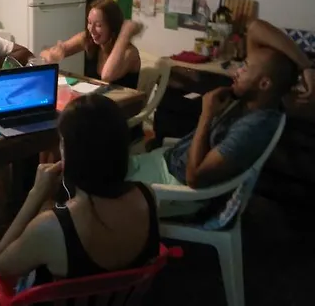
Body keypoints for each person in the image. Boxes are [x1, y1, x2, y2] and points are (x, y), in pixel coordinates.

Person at [127, 19, 314, 218]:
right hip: (165, 162)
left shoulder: (254, 127)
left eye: (245, 67)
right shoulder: (252, 100)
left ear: (264, 83)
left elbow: (194, 178)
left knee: (104, 191)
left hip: (173, 187)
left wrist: (206, 115)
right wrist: (307, 67)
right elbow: (255, 27)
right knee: (104, 164)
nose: (236, 71)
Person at [0, 94, 160, 284]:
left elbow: (0, 264)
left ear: (68, 151)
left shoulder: (52, 226)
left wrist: (36, 194)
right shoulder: (148, 196)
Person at [40, 0, 142, 89]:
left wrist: (125, 34)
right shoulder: (87, 38)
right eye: (89, 22)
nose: (91, 30)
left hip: (122, 103)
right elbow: (47, 53)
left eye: (98, 25)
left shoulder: (130, 52)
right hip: (95, 100)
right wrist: (53, 54)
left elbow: (106, 76)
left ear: (112, 27)